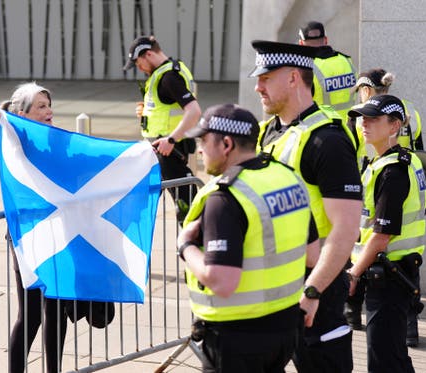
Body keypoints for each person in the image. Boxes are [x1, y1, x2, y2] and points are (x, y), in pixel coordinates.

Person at [176, 103, 320, 372]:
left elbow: (222, 282)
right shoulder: (287, 178)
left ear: (226, 144)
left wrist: (185, 245)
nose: (199, 149)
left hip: (236, 338)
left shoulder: (225, 197)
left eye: (203, 141)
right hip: (285, 328)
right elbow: (313, 255)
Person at [251, 40, 363, 373]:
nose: (257, 86)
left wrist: (314, 289)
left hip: (315, 289)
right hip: (273, 285)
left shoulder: (327, 141)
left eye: (266, 77)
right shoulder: (267, 132)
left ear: (293, 77)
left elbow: (345, 229)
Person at [0, 82, 68, 373]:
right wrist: (2, 119)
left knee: (56, 309)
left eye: (49, 105)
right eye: (41, 106)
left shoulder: (55, 138)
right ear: (23, 114)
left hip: (56, 232)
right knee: (31, 313)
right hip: (28, 235)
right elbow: (10, 131)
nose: (49, 111)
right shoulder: (16, 136)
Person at [345, 69, 426, 346]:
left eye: (372, 119)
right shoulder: (399, 163)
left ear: (393, 126)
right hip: (394, 269)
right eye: (363, 119)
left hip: (391, 272)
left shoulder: (392, 172)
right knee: (393, 357)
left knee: (384, 359)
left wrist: (353, 274)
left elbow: (382, 235)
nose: (364, 124)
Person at [123, 35, 202, 221]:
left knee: (188, 211)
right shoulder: (168, 72)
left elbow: (194, 111)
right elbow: (168, 110)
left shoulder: (168, 78)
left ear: (148, 54)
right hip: (160, 152)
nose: (139, 68)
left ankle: (194, 247)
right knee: (140, 209)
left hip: (169, 152)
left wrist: (171, 139)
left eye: (138, 63)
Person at [349, 68, 425, 170]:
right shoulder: (411, 112)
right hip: (403, 174)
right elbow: (419, 152)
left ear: (366, 91)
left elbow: (347, 153)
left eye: (360, 92)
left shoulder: (357, 115)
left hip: (369, 178)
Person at [298, 21, 357, 122]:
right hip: (350, 128)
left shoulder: (307, 69)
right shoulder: (346, 60)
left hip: (324, 131)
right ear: (325, 40)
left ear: (301, 44)